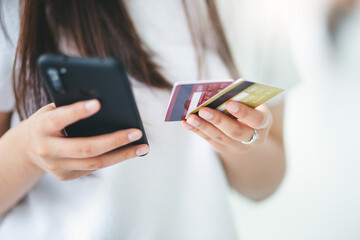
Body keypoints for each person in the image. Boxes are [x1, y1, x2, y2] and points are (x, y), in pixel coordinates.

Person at [0, 0, 296, 239]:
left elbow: (266, 183)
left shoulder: (255, 9)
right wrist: (27, 150)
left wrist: (244, 142)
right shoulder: (14, 11)